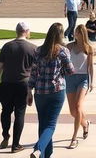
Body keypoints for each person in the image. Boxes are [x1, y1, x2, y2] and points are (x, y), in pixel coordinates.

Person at [27, 23, 73, 158]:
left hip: (40, 92)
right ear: (61, 35)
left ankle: (47, 154)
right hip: (56, 90)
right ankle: (39, 148)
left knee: (43, 123)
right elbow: (70, 71)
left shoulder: (38, 50)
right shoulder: (63, 51)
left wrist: (29, 89)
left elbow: (33, 72)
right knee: (51, 125)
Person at [0, 21, 37, 153]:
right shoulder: (33, 48)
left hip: (6, 83)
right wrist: (31, 90)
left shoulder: (7, 46)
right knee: (20, 114)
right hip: (23, 84)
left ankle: (5, 135)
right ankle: (15, 144)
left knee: (5, 111)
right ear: (27, 32)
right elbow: (35, 70)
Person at [66, 24, 94, 149]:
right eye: (76, 32)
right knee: (73, 111)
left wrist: (92, 81)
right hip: (70, 78)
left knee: (78, 106)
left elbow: (91, 66)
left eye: (79, 33)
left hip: (83, 79)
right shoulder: (69, 46)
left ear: (83, 35)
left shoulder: (88, 48)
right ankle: (85, 124)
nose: (76, 35)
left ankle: (74, 138)